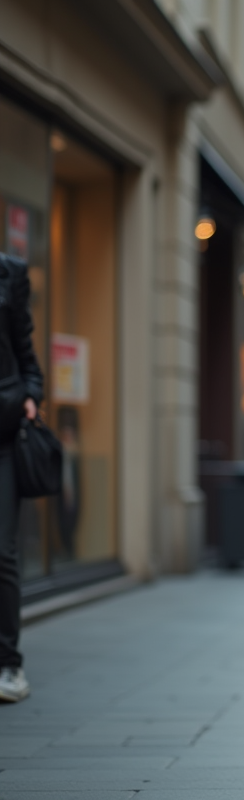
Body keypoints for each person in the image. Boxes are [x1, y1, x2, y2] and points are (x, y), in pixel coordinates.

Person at [0, 253, 44, 704]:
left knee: (3, 552)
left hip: (4, 434)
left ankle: (8, 665)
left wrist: (31, 394)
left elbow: (26, 354)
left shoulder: (9, 273)